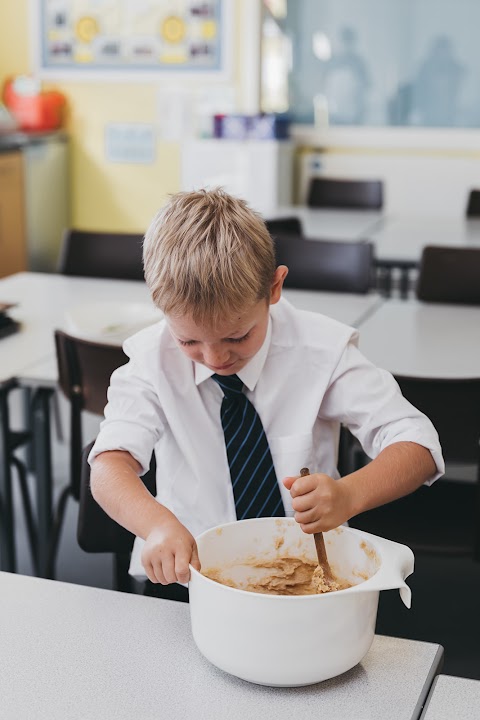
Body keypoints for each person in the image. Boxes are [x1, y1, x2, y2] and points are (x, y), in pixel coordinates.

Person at [89, 188, 444, 602]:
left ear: (274, 288)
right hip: (189, 579)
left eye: (237, 336)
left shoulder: (321, 351)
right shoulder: (151, 359)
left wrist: (349, 495)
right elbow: (108, 464)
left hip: (308, 581)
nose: (215, 357)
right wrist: (155, 525)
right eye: (189, 341)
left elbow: (417, 443)